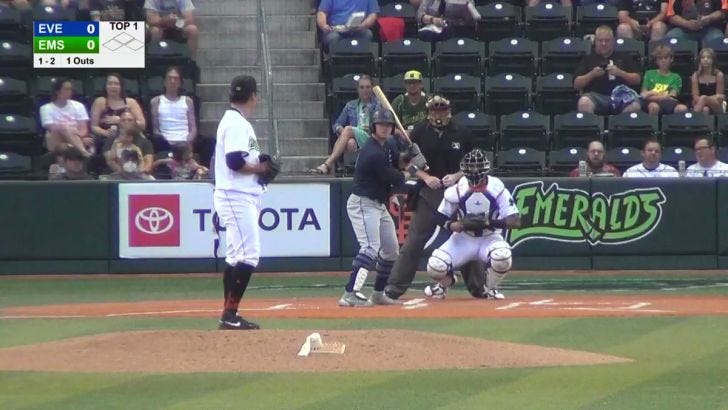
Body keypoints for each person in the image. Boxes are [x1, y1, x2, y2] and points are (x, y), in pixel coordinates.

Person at [384, 95, 488, 300]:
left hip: (458, 193)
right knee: (414, 242)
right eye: (435, 110)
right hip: (428, 193)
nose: (439, 114)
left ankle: (479, 287)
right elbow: (407, 164)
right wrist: (425, 176)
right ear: (429, 111)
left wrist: (458, 175)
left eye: (442, 110)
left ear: (449, 111)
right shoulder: (419, 132)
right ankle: (394, 288)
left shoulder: (462, 133)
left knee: (467, 239)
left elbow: (474, 163)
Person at [213, 75, 279, 330]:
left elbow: (237, 159)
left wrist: (256, 165)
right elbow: (235, 162)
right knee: (249, 256)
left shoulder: (233, 121)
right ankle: (230, 315)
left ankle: (228, 314)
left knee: (235, 256)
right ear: (254, 97)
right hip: (235, 196)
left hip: (236, 195)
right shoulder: (237, 123)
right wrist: (260, 167)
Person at [339, 109, 416, 307]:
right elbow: (395, 177)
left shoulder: (387, 144)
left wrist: (409, 154)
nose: (385, 127)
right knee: (370, 248)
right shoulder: (372, 152)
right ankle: (350, 293)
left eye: (388, 125)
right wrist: (414, 168)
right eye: (381, 124)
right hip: (363, 203)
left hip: (378, 204)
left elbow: (397, 161)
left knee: (390, 250)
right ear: (373, 127)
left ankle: (378, 294)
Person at [423, 149, 521, 300]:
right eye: (472, 167)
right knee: (435, 265)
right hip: (463, 238)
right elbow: (439, 216)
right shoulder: (458, 189)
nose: (475, 171)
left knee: (502, 256)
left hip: (489, 237)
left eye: (478, 167)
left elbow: (515, 220)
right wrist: (452, 225)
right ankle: (445, 283)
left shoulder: (496, 187)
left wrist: (489, 222)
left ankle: (491, 288)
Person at [310, 75, 379, 174]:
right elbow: (336, 124)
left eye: (368, 87)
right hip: (355, 137)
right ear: (357, 89)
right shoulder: (351, 105)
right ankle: (352, 171)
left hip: (371, 136)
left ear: (372, 88)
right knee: (350, 142)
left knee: (348, 130)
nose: (365, 90)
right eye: (362, 87)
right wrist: (342, 131)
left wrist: (347, 131)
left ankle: (328, 164)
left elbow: (380, 126)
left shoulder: (377, 105)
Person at [574, 26, 642, 115]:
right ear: (595, 41)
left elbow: (637, 80)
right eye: (600, 40)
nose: (603, 43)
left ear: (613, 41)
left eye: (607, 40)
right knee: (584, 102)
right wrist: (592, 74)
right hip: (597, 96)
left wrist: (620, 73)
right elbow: (576, 84)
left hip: (621, 96)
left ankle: (619, 127)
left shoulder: (624, 57)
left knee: (635, 106)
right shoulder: (588, 58)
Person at [90, 73, 146, 152]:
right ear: (105, 86)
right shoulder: (100, 102)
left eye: (116, 84)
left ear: (121, 86)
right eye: (110, 84)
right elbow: (94, 126)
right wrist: (106, 133)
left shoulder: (131, 102)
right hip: (107, 138)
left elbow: (142, 125)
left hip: (130, 137)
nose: (113, 86)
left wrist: (120, 121)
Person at [39, 78, 93, 158]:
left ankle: (76, 153)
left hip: (77, 138)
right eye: (67, 89)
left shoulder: (79, 106)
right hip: (56, 138)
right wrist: (70, 130)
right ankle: (83, 153)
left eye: (71, 89)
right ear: (57, 91)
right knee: (60, 128)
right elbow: (52, 128)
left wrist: (75, 135)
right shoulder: (45, 108)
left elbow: (83, 130)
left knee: (65, 143)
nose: (70, 91)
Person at [640, 44, 688, 116]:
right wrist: (662, 96)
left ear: (671, 59)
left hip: (668, 103)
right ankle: (654, 126)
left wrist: (652, 93)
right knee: (653, 106)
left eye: (666, 58)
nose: (663, 61)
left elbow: (672, 96)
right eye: (660, 58)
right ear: (656, 61)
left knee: (682, 108)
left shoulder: (676, 77)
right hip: (652, 102)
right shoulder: (649, 74)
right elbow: (643, 94)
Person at [102, 110, 154, 174]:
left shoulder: (145, 142)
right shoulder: (111, 141)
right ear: (119, 123)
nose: (127, 122)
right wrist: (126, 174)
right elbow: (110, 162)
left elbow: (148, 164)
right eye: (123, 120)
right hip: (119, 175)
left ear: (135, 123)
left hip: (139, 175)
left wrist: (140, 174)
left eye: (130, 120)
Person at [416, 0, 481, 41]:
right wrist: (433, 19)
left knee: (451, 31)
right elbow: (420, 15)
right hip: (435, 28)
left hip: (457, 28)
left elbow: (472, 20)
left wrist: (465, 10)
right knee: (423, 34)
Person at [691, 48, 725, 115]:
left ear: (713, 60)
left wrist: (706, 99)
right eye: (703, 57)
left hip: (716, 105)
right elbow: (695, 96)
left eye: (708, 57)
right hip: (700, 104)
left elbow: (719, 97)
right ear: (700, 60)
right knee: (705, 110)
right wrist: (704, 101)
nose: (705, 59)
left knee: (704, 98)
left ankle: (691, 119)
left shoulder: (719, 75)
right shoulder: (695, 76)